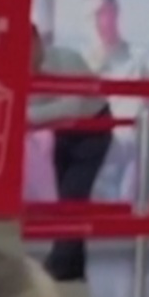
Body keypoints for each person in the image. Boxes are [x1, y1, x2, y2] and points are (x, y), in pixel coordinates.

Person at [27, 24, 111, 283]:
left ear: (38, 42)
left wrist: (28, 118)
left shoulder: (68, 59)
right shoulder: (17, 71)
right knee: (68, 198)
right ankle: (74, 268)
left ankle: (57, 266)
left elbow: (73, 106)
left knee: (73, 195)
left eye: (29, 45)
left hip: (93, 129)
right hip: (61, 135)